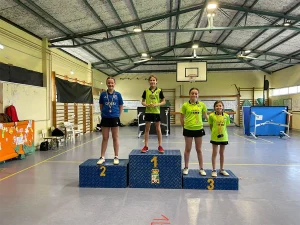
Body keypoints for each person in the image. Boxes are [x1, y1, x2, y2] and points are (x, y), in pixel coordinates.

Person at [180, 88, 208, 176]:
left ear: (198, 95)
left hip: (199, 129)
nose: (194, 95)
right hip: (188, 129)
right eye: (192, 93)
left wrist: (213, 123)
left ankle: (201, 168)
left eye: (196, 93)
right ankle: (186, 167)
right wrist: (184, 127)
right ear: (189, 94)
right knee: (187, 149)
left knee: (198, 149)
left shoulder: (202, 105)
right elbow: (181, 117)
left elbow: (206, 116)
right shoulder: (185, 105)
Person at [97, 77, 123, 165]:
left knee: (115, 137)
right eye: (109, 83)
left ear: (114, 84)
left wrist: (118, 115)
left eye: (112, 83)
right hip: (105, 117)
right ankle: (102, 157)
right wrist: (104, 113)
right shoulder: (103, 94)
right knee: (105, 138)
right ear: (106, 83)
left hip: (115, 117)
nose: (110, 84)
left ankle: (116, 156)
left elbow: (120, 106)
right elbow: (101, 105)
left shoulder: (118, 95)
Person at [141, 75, 166, 153]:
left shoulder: (159, 90)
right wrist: (146, 105)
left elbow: (163, 101)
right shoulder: (146, 91)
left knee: (158, 129)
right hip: (148, 112)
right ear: (149, 82)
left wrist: (157, 104)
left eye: (153, 80)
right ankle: (146, 146)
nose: (152, 81)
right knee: (147, 129)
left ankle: (160, 146)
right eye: (151, 80)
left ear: (156, 81)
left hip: (156, 112)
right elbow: (142, 101)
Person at [208, 100, 230, 177]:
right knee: (214, 153)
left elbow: (226, 126)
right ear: (214, 107)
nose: (218, 107)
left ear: (223, 107)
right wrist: (215, 132)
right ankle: (214, 169)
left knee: (222, 153)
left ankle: (222, 169)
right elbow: (211, 126)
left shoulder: (226, 116)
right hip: (215, 137)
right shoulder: (211, 116)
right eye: (217, 106)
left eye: (220, 105)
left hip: (224, 137)